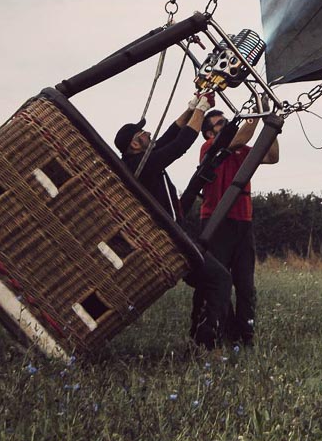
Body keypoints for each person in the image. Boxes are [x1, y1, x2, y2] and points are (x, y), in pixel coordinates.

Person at [190, 107, 279, 348]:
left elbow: (272, 156)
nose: (227, 125)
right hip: (216, 223)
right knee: (218, 282)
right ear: (209, 134)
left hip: (243, 223)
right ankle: (216, 334)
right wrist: (260, 113)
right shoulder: (209, 149)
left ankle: (245, 336)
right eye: (220, 124)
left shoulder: (241, 151)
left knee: (245, 284)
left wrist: (271, 126)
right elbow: (242, 135)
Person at [114, 92, 214, 221]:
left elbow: (170, 136)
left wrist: (191, 109)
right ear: (135, 144)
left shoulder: (138, 159)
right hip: (164, 228)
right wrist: (202, 109)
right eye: (143, 133)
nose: (149, 133)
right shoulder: (140, 164)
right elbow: (179, 145)